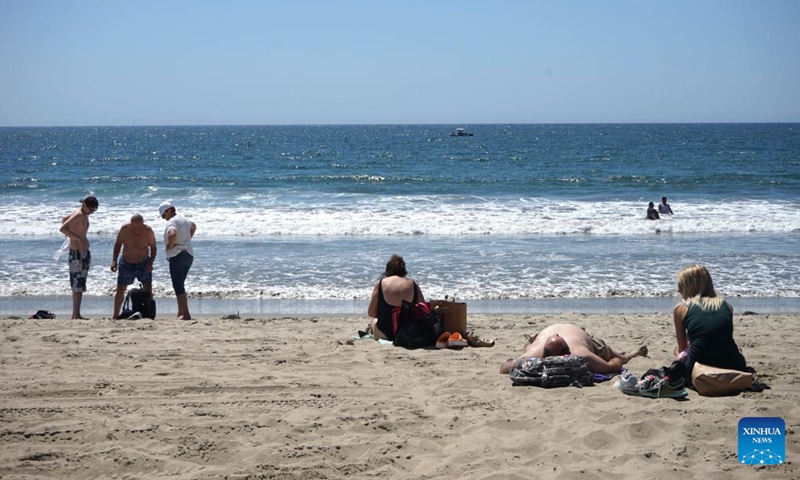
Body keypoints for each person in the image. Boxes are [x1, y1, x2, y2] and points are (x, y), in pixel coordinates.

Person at [672, 265, 747, 378]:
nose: (678, 290)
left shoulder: (681, 308)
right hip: (734, 364)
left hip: (697, 365)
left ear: (689, 286)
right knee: (736, 349)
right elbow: (719, 337)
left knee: (677, 351)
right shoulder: (727, 306)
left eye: (680, 285)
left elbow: (682, 348)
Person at [499, 323, 648, 374]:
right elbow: (613, 367)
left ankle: (629, 355)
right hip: (546, 335)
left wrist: (616, 359)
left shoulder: (581, 354)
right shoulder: (582, 355)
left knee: (614, 355)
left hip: (571, 336)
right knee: (610, 355)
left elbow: (504, 367)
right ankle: (628, 355)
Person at [367, 255, 425, 341]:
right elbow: (422, 310)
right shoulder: (413, 284)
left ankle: (370, 329)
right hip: (408, 332)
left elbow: (371, 313)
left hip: (385, 333)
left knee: (373, 321)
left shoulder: (380, 284)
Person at [110, 214, 157, 319]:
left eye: (139, 227)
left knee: (148, 288)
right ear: (130, 225)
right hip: (126, 262)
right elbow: (118, 244)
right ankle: (115, 315)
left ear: (143, 224)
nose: (137, 230)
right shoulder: (125, 229)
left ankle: (149, 314)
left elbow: (153, 248)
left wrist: (151, 262)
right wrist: (114, 260)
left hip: (144, 262)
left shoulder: (148, 231)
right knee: (120, 289)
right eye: (134, 227)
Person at [59, 196, 99, 319]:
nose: (92, 213)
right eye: (91, 210)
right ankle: (76, 314)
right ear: (85, 205)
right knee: (78, 285)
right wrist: (77, 238)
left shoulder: (79, 213)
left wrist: (74, 236)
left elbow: (64, 219)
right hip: (77, 254)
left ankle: (76, 314)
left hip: (80, 253)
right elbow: (63, 228)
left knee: (79, 284)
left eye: (94, 211)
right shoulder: (79, 215)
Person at [158, 201, 196, 320]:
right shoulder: (183, 218)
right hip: (188, 254)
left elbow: (172, 234)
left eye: (164, 215)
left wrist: (170, 246)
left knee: (178, 285)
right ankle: (181, 312)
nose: (164, 218)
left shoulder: (172, 222)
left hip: (177, 255)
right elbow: (193, 226)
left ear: (169, 211)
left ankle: (185, 314)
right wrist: (188, 239)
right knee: (181, 284)